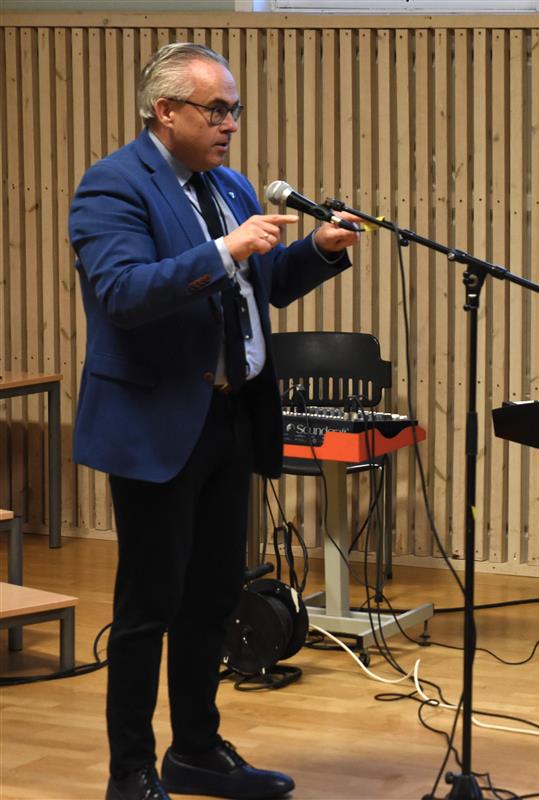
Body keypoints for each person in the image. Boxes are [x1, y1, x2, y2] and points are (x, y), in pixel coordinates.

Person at [69, 42, 360, 800]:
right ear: (166, 112)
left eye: (234, 109)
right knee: (147, 607)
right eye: (216, 109)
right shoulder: (112, 186)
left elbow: (261, 282)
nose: (231, 123)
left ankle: (195, 749)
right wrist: (225, 247)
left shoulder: (226, 183)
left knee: (212, 597)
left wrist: (318, 251)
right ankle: (129, 770)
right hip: (158, 422)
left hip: (232, 416)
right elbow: (124, 293)